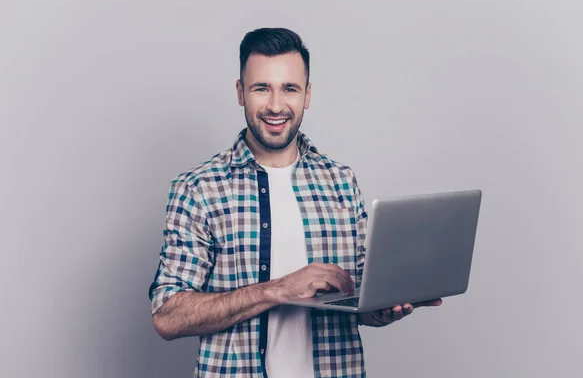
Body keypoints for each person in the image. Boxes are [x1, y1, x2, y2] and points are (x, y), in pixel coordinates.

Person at [148, 27, 442, 378]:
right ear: (241, 92)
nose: (275, 105)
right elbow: (168, 316)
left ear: (307, 95)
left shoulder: (340, 182)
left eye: (289, 88)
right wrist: (280, 289)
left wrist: (379, 310)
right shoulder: (198, 188)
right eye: (261, 88)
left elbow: (359, 300)